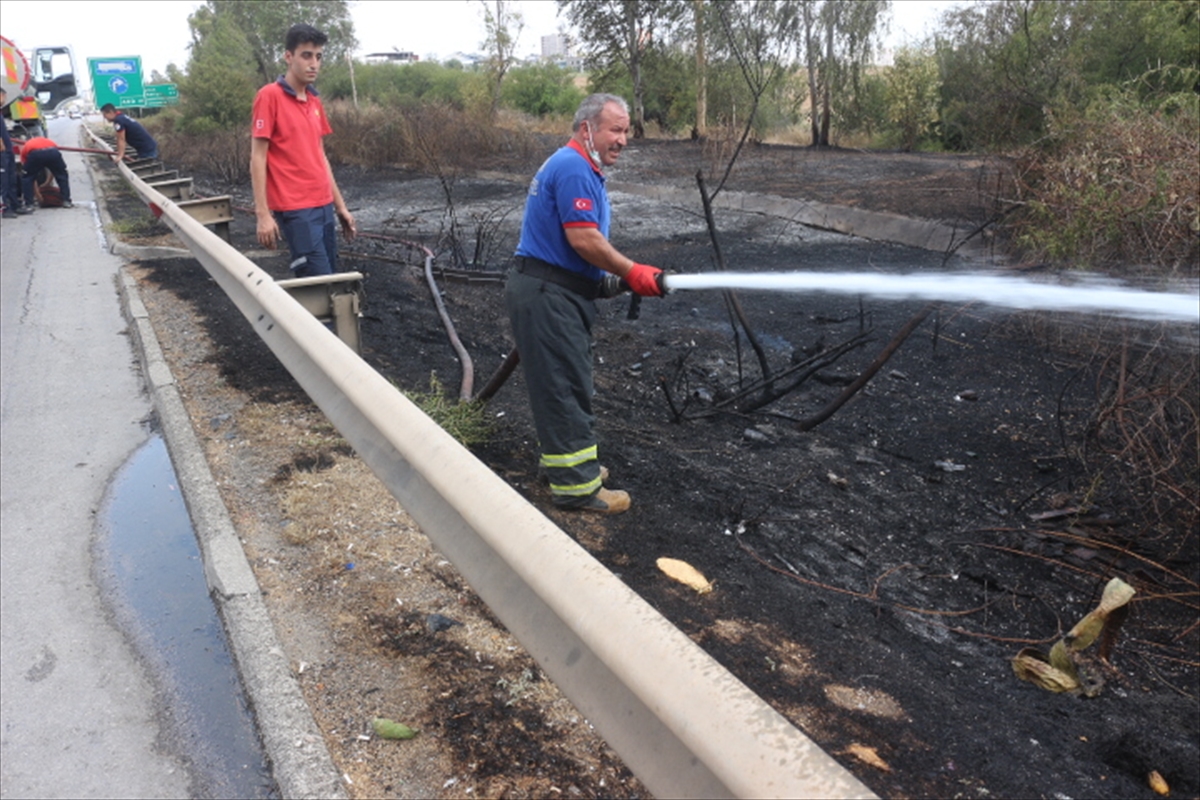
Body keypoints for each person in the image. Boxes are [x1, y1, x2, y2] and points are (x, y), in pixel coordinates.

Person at [505, 93, 664, 515]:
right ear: (586, 129)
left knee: (558, 383)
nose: (623, 140)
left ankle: (562, 464)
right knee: (567, 387)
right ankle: (576, 487)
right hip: (547, 297)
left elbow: (570, 255)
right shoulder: (575, 167)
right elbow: (584, 240)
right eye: (615, 129)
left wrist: (617, 283)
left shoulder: (576, 164)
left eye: (626, 130)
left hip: (550, 291)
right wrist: (632, 272)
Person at [250, 23, 355, 278]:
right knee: (317, 284)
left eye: (318, 57)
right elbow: (257, 156)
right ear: (289, 57)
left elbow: (320, 156)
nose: (314, 64)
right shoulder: (269, 96)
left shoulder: (314, 101)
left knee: (330, 278)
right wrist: (263, 214)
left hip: (323, 205)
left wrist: (340, 206)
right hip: (296, 209)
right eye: (306, 55)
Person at [15, 134, 72, 211]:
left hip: (36, 154)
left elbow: (30, 176)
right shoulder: (48, 141)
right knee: (61, 175)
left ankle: (29, 204)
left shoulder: (26, 147)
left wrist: (37, 194)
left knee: (27, 178)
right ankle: (66, 201)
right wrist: (47, 182)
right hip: (53, 152)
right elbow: (54, 171)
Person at [1, 88, 21, 218]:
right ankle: (7, 208)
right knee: (4, 181)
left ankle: (15, 205)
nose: (4, 100)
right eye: (3, 96)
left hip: (7, 151)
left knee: (11, 178)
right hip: (1, 152)